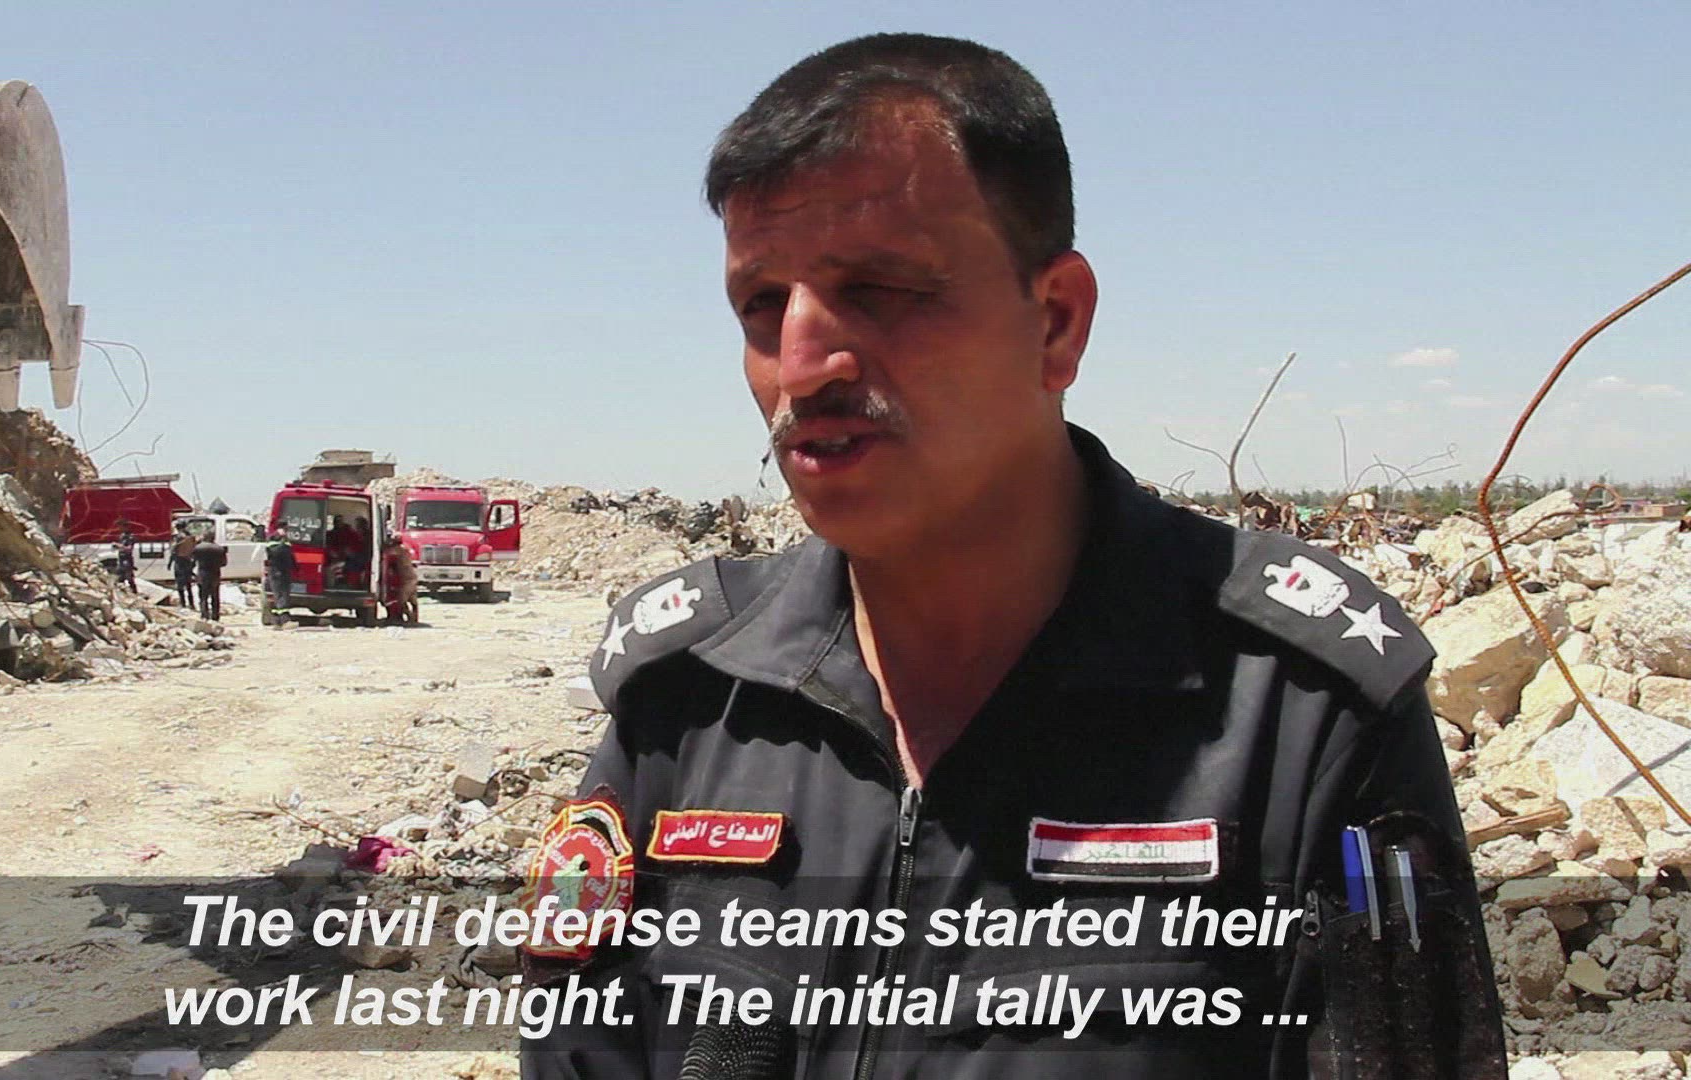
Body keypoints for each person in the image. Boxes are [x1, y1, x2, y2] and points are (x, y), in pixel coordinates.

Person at [520, 34, 1504, 1080]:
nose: (801, 365)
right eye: (763, 305)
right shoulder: (690, 698)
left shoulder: (1296, 713)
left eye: (879, 287)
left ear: (1056, 324)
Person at [264, 525, 297, 624]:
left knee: (277, 594)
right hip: (280, 572)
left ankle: (276, 620)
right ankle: (284, 619)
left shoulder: (272, 543)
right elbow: (288, 557)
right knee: (282, 594)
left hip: (275, 572)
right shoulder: (282, 545)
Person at [192, 530, 227, 621]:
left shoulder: (198, 548)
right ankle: (215, 616)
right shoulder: (219, 549)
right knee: (215, 596)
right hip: (215, 574)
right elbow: (224, 563)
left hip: (202, 573)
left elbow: (193, 561)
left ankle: (204, 615)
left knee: (203, 596)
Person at [171, 528, 199, 608]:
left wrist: (170, 562)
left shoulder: (179, 537)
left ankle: (183, 604)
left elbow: (174, 552)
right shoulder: (191, 538)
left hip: (180, 563)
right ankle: (191, 604)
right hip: (188, 562)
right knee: (188, 584)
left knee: (180, 585)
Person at [113, 526, 137, 593]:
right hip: (121, 558)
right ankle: (121, 592)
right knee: (120, 577)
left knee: (129, 577)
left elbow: (129, 548)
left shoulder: (130, 537)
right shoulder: (122, 536)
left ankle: (134, 591)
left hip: (127, 559)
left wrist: (120, 546)